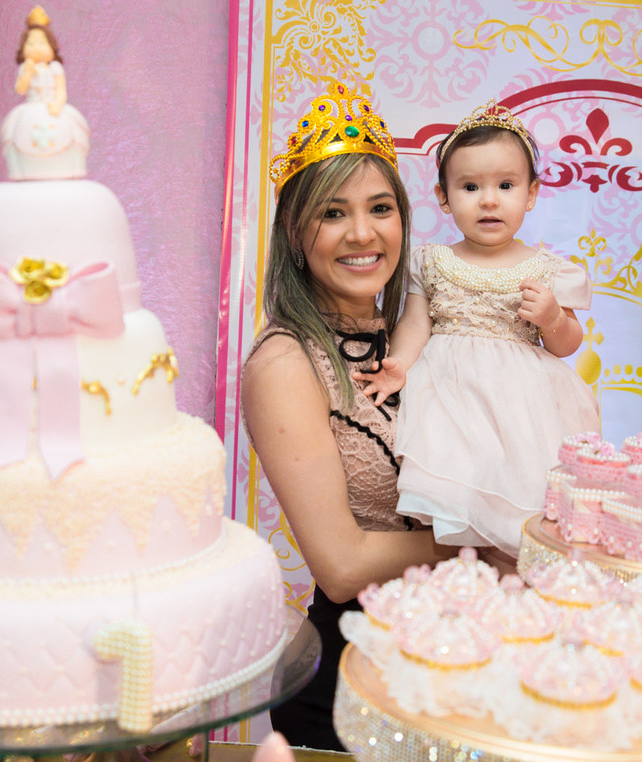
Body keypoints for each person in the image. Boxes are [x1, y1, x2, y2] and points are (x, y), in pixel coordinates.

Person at [240, 82, 447, 750]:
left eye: (380, 208)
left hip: (457, 667)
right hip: (353, 687)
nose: (363, 233)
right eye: (333, 213)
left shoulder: (421, 340)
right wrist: (492, 543)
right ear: (296, 233)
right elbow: (342, 563)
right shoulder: (285, 362)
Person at [357, 100, 601, 566]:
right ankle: (466, 578)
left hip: (522, 407)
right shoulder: (432, 261)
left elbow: (567, 344)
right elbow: (416, 323)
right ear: (444, 197)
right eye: (470, 187)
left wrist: (552, 317)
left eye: (506, 185)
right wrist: (400, 365)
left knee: (521, 503)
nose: (489, 200)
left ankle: (513, 581)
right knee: (458, 499)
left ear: (531, 193)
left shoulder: (548, 269)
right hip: (450, 397)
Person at [0, 6, 89, 179]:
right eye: (31, 44)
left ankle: (72, 166)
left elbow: (61, 89)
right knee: (10, 129)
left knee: (77, 127)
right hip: (31, 104)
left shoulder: (55, 67)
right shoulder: (26, 68)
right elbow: (21, 89)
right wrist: (27, 72)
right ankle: (20, 169)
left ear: (51, 46)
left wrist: (57, 104)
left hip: (51, 104)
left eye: (41, 43)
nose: (36, 48)